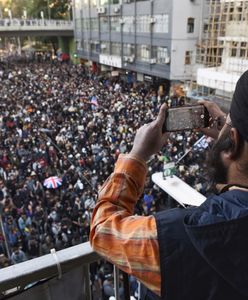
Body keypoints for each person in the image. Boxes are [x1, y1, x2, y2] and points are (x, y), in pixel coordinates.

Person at [90, 70, 248, 300]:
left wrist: (136, 157)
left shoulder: (192, 234)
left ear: (231, 144)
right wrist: (228, 131)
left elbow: (103, 229)